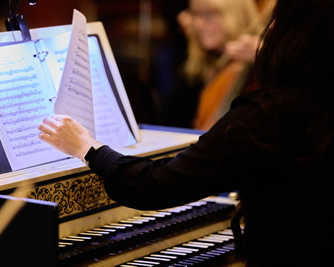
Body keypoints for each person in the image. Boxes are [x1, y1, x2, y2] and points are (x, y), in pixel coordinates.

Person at [38, 0, 334, 266]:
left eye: (276, 21)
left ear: (295, 34)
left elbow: (155, 184)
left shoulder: (268, 115)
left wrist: (86, 147)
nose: (267, 30)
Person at [161, 0, 260, 129]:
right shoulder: (199, 65)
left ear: (235, 15)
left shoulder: (254, 68)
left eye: (209, 15)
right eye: (196, 14)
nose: (199, 24)